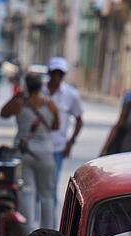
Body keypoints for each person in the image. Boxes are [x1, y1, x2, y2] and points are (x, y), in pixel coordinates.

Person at [0, 73, 60, 233]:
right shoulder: (50, 104)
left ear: (26, 86)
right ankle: (49, 232)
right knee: (47, 196)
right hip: (45, 153)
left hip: (23, 152)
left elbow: (3, 113)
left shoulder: (20, 104)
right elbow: (56, 126)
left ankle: (27, 232)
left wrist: (16, 96)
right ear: (41, 86)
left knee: (26, 192)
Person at [45, 57, 84, 201]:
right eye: (54, 73)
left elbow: (79, 120)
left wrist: (71, 142)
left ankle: (50, 215)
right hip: (35, 146)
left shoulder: (71, 94)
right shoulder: (39, 90)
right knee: (33, 187)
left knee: (51, 185)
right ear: (49, 73)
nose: (56, 76)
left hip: (57, 147)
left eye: (60, 74)